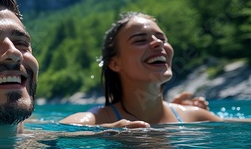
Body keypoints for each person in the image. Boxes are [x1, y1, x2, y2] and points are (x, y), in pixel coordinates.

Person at [59, 12, 222, 126]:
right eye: (139, 40)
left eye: (161, 38)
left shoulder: (195, 116)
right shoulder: (96, 122)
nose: (158, 43)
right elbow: (46, 135)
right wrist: (104, 131)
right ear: (115, 63)